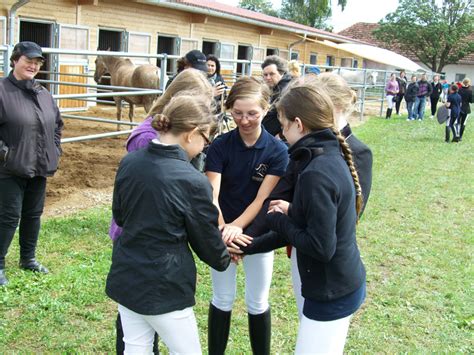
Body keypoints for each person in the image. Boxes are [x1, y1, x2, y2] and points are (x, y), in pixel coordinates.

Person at [232, 81, 366, 354]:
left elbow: (321, 246)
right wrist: (288, 214)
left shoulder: (316, 171)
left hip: (331, 289)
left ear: (299, 124)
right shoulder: (323, 156)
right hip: (339, 283)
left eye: (282, 126)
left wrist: (279, 219)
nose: (280, 134)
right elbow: (318, 217)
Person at [106, 93, 230, 354]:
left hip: (128, 274)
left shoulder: (130, 162)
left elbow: (120, 215)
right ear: (191, 133)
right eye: (205, 139)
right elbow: (205, 239)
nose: (204, 147)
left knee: (135, 348)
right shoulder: (193, 181)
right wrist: (224, 257)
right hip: (166, 284)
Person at [205, 76, 289, 355]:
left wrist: (237, 230)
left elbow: (263, 198)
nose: (244, 120)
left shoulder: (278, 151)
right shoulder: (220, 145)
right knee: (222, 297)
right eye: (237, 113)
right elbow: (212, 192)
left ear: (267, 110)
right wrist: (223, 229)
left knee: (257, 300)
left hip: (257, 233)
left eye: (252, 113)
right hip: (223, 232)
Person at [0, 41, 63, 286]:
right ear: (15, 60)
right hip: (9, 168)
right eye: (29, 60)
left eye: (37, 62)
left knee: (33, 215)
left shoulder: (43, 93)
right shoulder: (3, 91)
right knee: (7, 216)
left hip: (39, 165)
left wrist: (55, 149)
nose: (33, 65)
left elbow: (57, 125)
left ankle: (28, 259)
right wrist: (5, 154)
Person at [261, 55, 293, 137]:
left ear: (281, 73)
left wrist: (281, 135)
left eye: (272, 74)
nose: (268, 78)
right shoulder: (274, 88)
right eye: (265, 75)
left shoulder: (287, 90)